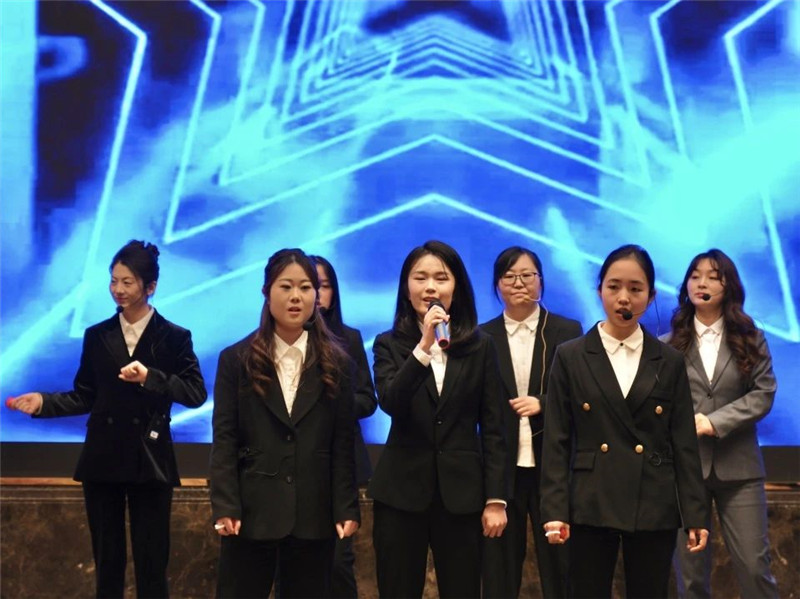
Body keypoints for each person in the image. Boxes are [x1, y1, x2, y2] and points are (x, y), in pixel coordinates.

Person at [6, 240, 207, 598]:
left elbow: (195, 393)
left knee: (152, 563)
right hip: (103, 456)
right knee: (107, 562)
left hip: (150, 458)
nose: (118, 289)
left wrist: (150, 377)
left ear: (150, 286)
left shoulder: (174, 337)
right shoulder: (98, 335)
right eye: (114, 280)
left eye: (128, 282)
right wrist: (43, 403)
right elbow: (85, 395)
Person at [539, 244, 709, 599]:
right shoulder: (570, 356)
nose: (624, 298)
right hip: (590, 498)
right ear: (599, 289)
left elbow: (683, 443)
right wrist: (554, 510)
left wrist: (695, 513)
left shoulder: (668, 360)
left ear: (651, 296)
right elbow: (556, 440)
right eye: (614, 286)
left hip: (653, 498)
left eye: (635, 289)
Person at [210, 248, 360, 598]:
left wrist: (346, 506)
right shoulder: (236, 359)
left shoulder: (337, 363)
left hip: (314, 513)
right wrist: (226, 504)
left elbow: (342, 443)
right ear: (267, 292)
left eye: (306, 287)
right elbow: (225, 438)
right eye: (286, 286)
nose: (296, 297)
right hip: (251, 512)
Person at [368, 240, 508, 598]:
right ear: (406, 288)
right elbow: (391, 401)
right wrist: (423, 348)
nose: (430, 287)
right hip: (401, 494)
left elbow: (494, 427)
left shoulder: (481, 346)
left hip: (461, 496)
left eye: (441, 278)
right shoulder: (388, 344)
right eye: (420, 278)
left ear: (456, 287)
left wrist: (495, 498)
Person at [667, 249, 778, 599]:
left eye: (713, 276)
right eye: (695, 275)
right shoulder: (669, 343)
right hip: (686, 471)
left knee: (754, 568)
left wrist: (713, 422)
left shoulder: (750, 337)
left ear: (728, 286)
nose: (702, 283)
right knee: (689, 578)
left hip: (740, 469)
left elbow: (763, 393)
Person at [480, 246, 582, 598]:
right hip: (501, 469)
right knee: (500, 568)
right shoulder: (482, 336)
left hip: (553, 467)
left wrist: (544, 403)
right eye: (509, 276)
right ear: (497, 284)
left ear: (541, 280)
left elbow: (583, 393)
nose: (519, 283)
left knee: (561, 566)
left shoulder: (567, 330)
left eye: (527, 275)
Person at [310, 255, 378, 598]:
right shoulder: (272, 341)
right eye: (309, 285)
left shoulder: (349, 339)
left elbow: (367, 400)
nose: (315, 294)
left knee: (338, 563)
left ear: (334, 292)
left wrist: (332, 403)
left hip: (340, 466)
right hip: (289, 469)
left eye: (323, 286)